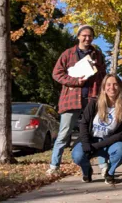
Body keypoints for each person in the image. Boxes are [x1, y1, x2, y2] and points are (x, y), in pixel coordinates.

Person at [46, 25, 106, 176]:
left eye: (90, 36)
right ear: (78, 36)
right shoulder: (68, 54)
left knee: (96, 132)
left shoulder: (97, 55)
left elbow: (103, 76)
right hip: (71, 99)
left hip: (92, 99)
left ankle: (103, 165)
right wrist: (73, 81)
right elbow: (56, 73)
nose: (87, 38)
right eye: (84, 35)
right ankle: (54, 166)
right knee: (64, 133)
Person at [71, 74, 122, 184]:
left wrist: (96, 147)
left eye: (115, 84)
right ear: (103, 87)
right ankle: (86, 170)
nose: (111, 87)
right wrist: (86, 144)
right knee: (77, 156)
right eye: (108, 84)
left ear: (120, 87)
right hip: (90, 140)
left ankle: (110, 173)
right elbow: (83, 123)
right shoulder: (94, 103)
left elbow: (120, 134)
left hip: (109, 143)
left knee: (121, 151)